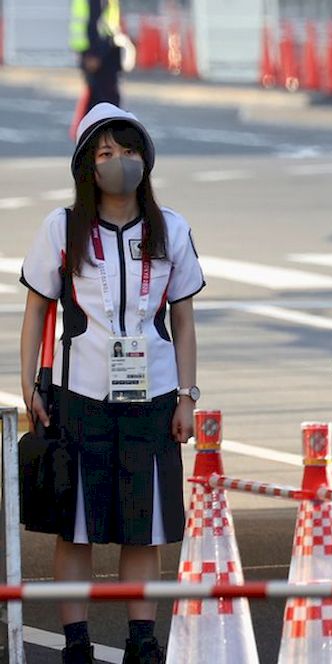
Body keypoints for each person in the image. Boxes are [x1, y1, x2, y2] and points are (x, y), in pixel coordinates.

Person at [20, 103, 205, 663]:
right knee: (74, 524)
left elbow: (184, 320)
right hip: (79, 396)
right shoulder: (61, 226)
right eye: (105, 153)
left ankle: (141, 640)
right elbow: (35, 312)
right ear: (86, 166)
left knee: (141, 525)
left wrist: (188, 397)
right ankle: (75, 640)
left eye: (128, 151)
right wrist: (27, 386)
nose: (119, 162)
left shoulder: (171, 227)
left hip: (153, 396)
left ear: (146, 160)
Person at [70, 0, 125, 110]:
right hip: (99, 52)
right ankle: (104, 125)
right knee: (104, 100)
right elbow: (94, 21)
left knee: (98, 97)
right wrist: (95, 54)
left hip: (99, 50)